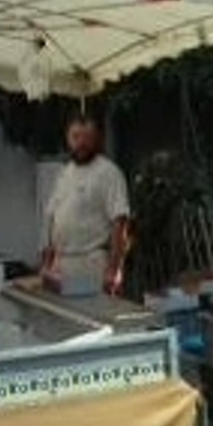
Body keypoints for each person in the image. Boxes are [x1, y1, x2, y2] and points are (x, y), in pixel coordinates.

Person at [42, 111, 130, 296]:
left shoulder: (109, 173)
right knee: (67, 322)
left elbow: (119, 223)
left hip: (93, 265)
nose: (81, 143)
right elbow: (52, 219)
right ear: (68, 139)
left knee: (94, 321)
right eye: (76, 137)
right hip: (62, 265)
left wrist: (113, 271)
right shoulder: (64, 174)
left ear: (97, 139)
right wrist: (46, 265)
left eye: (87, 137)